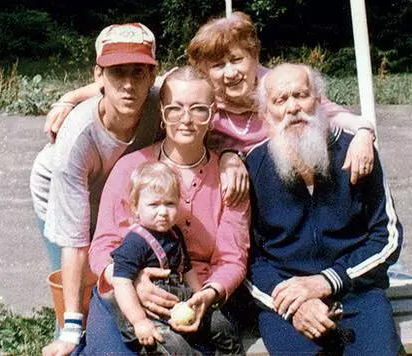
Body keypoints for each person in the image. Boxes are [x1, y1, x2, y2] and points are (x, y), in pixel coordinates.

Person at [45, 11, 376, 186]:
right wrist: (68, 99)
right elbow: (137, 84)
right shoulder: (200, 94)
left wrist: (363, 132)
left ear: (254, 56)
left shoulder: (274, 88)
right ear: (203, 70)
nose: (229, 73)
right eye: (217, 65)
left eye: (237, 60)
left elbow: (330, 112)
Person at [82, 66, 249, 354]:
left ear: (212, 115)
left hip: (192, 297)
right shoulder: (131, 168)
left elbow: (233, 258)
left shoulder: (229, 178)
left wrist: (207, 295)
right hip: (124, 295)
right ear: (161, 114)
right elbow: (101, 246)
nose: (186, 120)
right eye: (175, 109)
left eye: (198, 109)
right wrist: (131, 281)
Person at [245, 63, 404, 354]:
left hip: (356, 292)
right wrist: (295, 303)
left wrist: (327, 281)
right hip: (288, 304)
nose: (293, 107)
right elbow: (248, 258)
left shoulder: (357, 154)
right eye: (280, 100)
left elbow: (387, 238)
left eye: (301, 95)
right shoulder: (253, 167)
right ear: (265, 114)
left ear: (319, 102)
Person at [30, 23, 161, 356]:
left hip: (116, 191)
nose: (129, 84)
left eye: (138, 72)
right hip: (62, 186)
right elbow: (75, 243)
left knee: (113, 272)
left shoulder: (162, 99)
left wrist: (69, 95)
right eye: (117, 73)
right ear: (99, 75)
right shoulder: (77, 139)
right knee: (79, 274)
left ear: (152, 75)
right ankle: (69, 331)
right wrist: (72, 329)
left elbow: (203, 88)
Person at [108, 160, 243, 354]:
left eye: (169, 203)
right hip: (144, 310)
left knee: (221, 324)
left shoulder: (174, 233)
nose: (163, 212)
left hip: (176, 296)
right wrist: (139, 321)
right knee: (178, 348)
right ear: (136, 207)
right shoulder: (134, 243)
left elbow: (186, 268)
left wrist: (198, 298)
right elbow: (121, 283)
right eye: (154, 204)